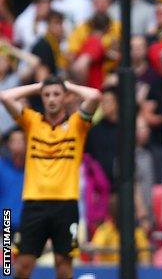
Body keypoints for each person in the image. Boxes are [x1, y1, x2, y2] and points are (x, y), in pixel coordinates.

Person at [0, 76, 101, 279]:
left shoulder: (77, 124)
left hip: (66, 205)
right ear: (42, 98)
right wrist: (39, 86)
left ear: (65, 97)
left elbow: (95, 95)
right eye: (46, 95)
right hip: (34, 205)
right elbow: (4, 96)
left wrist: (68, 85)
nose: (51, 99)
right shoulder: (32, 122)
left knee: (63, 267)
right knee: (22, 266)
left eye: (56, 94)